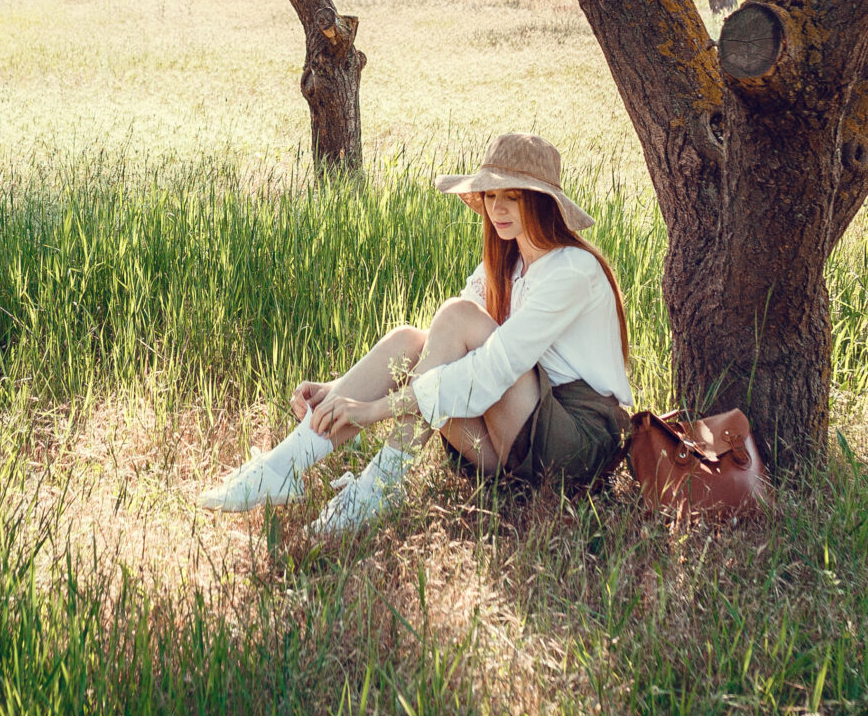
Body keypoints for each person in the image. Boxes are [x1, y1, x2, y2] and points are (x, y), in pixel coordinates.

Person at [199, 132, 635, 535]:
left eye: (514, 198)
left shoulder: (573, 270)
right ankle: (284, 467)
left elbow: (489, 372)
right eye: (491, 195)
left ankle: (380, 486)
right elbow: (441, 352)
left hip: (575, 444)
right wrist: (338, 390)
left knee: (457, 317)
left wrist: (375, 410)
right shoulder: (508, 264)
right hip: (519, 439)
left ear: (542, 203)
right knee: (412, 340)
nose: (497, 209)